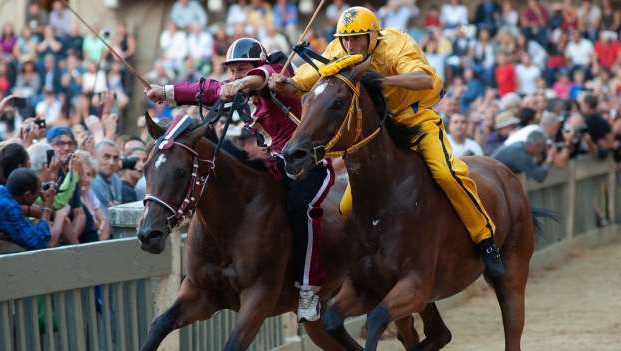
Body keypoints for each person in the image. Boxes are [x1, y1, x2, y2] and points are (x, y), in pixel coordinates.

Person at [269, 5, 506, 280]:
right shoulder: (338, 49)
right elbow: (302, 82)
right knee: (346, 207)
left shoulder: (397, 42)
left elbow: (425, 79)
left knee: (447, 173)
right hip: (376, 131)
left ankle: (486, 241)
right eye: (344, 38)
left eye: (356, 37)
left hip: (414, 119)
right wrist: (281, 83)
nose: (349, 44)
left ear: (373, 35)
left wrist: (380, 79)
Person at [145, 37, 334, 322]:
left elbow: (262, 77)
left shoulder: (277, 75)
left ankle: (308, 287)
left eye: (241, 69)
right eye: (231, 70)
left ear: (258, 65)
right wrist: (166, 92)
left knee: (300, 209)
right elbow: (206, 90)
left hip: (307, 165)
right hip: (275, 164)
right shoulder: (239, 86)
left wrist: (242, 83)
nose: (234, 76)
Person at [90, 139, 124, 213]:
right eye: (106, 157)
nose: (112, 162)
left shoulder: (116, 179)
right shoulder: (89, 180)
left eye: (115, 158)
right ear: (94, 156)